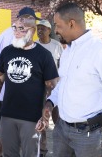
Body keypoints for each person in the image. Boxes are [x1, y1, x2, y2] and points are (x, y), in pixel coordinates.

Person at [36, 2, 102, 157]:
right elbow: (63, 84)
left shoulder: (101, 52)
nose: (55, 31)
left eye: (58, 26)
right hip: (62, 130)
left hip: (90, 136)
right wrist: (50, 102)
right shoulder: (67, 51)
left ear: (71, 23)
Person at [0, 15, 58, 157]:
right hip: (7, 115)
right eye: (15, 28)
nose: (16, 32)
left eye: (21, 29)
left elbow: (52, 90)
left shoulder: (44, 55)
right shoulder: (7, 51)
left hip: (32, 119)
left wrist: (46, 116)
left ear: (32, 31)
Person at [36, 19, 63, 156]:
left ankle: (62, 147)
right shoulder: (34, 46)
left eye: (43, 28)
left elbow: (62, 67)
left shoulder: (57, 46)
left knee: (58, 119)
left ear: (49, 30)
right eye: (38, 28)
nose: (40, 30)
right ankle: (42, 149)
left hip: (55, 89)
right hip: (38, 89)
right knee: (42, 119)